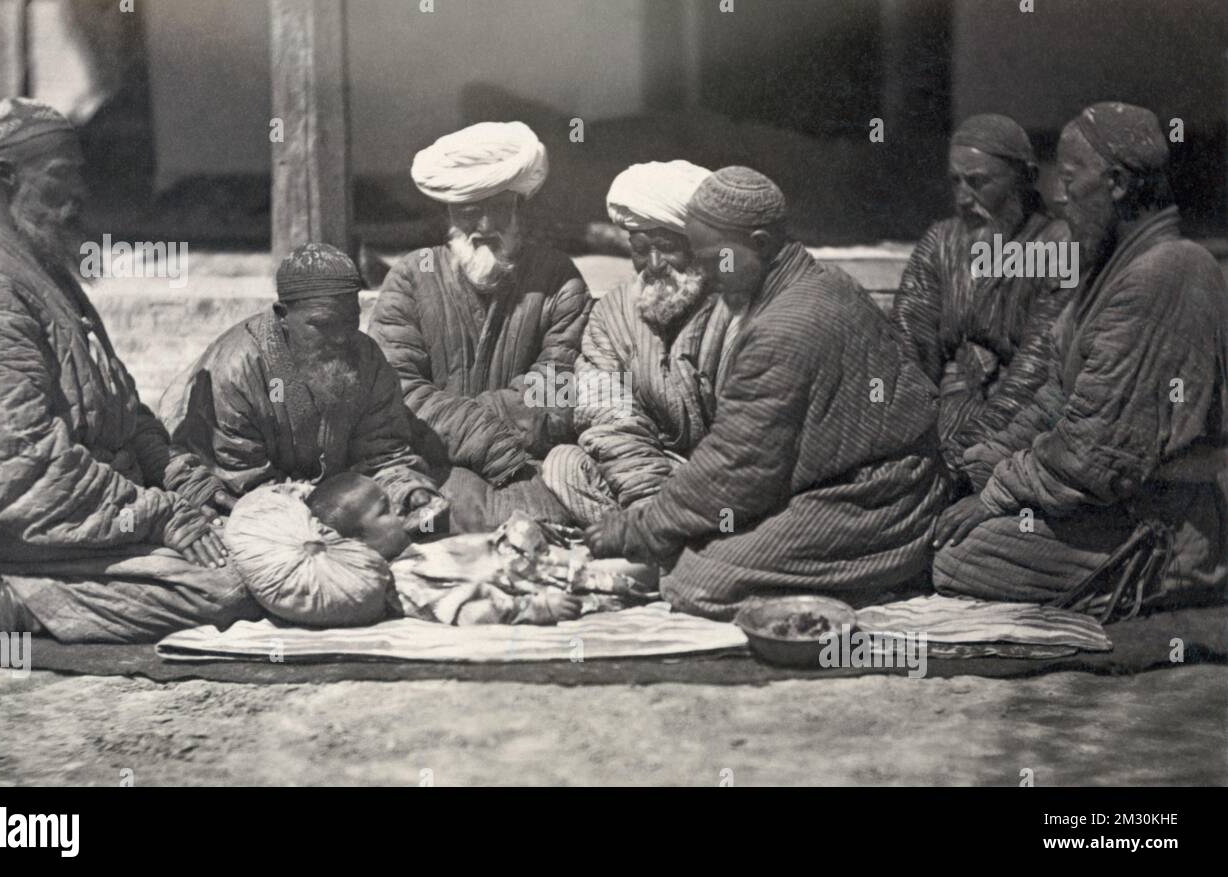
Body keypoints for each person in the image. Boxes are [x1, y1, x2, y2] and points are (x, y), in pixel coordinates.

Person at [0, 98, 255, 643]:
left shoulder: (43, 268)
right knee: (231, 588)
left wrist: (178, 476)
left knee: (255, 539)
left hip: (100, 514)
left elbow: (122, 407)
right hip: (30, 541)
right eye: (62, 177)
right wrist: (158, 516)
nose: (81, 195)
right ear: (6, 177)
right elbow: (16, 470)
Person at [585, 167, 948, 620]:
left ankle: (887, 571)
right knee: (699, 542)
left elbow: (737, 468)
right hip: (850, 486)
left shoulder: (782, 329)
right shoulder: (820, 283)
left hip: (877, 502)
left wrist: (639, 529)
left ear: (759, 242)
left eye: (716, 260)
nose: (710, 278)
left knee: (696, 581)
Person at [932, 103, 1228, 620]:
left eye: (1070, 180)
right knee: (950, 504)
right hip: (1107, 497)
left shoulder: (1168, 272)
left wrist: (998, 492)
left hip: (1161, 522)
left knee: (957, 557)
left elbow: (1094, 452)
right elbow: (1055, 393)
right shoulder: (1115, 265)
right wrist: (980, 460)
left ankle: (1170, 578)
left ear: (1115, 183)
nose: (1060, 198)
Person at [369, 122, 592, 532]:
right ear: (448, 212)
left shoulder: (557, 277)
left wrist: (481, 428)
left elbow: (562, 387)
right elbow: (393, 389)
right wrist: (483, 436)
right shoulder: (410, 277)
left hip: (527, 459)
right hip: (433, 459)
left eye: (499, 207)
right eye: (469, 210)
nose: (485, 225)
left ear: (518, 207)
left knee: (541, 511)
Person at [161, 243, 442, 529]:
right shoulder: (237, 373)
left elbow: (384, 450)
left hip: (328, 502)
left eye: (350, 321)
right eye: (323, 325)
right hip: (246, 500)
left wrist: (409, 491)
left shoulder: (367, 358)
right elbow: (241, 478)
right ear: (283, 315)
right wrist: (312, 510)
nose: (342, 338)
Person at [891, 114, 1073, 487]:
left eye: (977, 183)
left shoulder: (1058, 247)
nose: (962, 198)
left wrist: (963, 452)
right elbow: (910, 349)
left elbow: (1038, 369)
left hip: (1019, 432)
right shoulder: (941, 243)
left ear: (1026, 178)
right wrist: (904, 434)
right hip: (937, 421)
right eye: (955, 182)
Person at [542, 160, 726, 525]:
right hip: (654, 470)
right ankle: (656, 538)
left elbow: (753, 434)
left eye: (667, 246)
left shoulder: (735, 310)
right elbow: (608, 416)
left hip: (725, 477)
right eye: (641, 248)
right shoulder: (613, 313)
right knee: (564, 465)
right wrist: (648, 500)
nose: (653, 263)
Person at [308, 473, 582, 625]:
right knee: (616, 570)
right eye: (385, 511)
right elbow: (468, 612)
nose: (398, 509)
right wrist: (534, 609)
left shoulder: (412, 545)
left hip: (538, 551)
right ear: (359, 543)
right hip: (541, 580)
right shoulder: (404, 582)